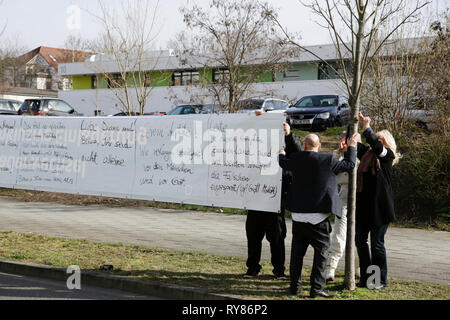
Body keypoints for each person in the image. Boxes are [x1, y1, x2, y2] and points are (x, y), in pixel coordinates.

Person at [279, 132, 359, 298]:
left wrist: (281, 154)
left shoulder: (297, 158)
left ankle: (294, 286)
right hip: (319, 217)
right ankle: (316, 288)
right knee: (321, 254)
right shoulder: (328, 161)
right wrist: (351, 146)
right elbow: (350, 164)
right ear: (319, 146)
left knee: (297, 255)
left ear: (305, 145)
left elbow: (283, 163)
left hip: (298, 216)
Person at [245, 122, 302, 279]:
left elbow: (298, 152)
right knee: (253, 234)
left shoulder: (287, 141)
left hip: (276, 198)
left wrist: (288, 134)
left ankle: (279, 270)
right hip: (255, 196)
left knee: (277, 236)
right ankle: (252, 268)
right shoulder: (255, 140)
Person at [355, 112, 401, 290]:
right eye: (376, 140)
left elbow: (375, 144)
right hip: (364, 208)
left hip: (380, 209)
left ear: (386, 143)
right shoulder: (366, 156)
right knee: (360, 241)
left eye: (380, 140)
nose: (376, 143)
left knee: (377, 244)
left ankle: (379, 280)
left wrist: (367, 128)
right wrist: (355, 123)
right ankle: (366, 278)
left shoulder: (387, 156)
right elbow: (354, 142)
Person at [324, 133, 358, 282]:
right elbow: (333, 171)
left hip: (360, 197)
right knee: (339, 232)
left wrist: (352, 150)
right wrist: (338, 153)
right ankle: (330, 267)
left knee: (360, 237)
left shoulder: (360, 154)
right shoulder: (340, 156)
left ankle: (358, 267)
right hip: (343, 196)